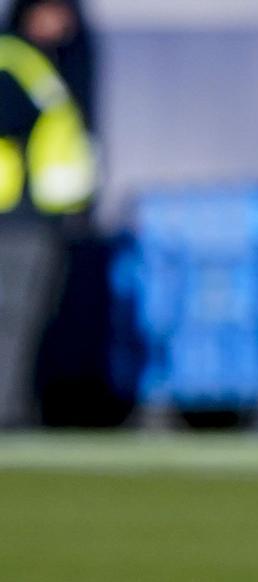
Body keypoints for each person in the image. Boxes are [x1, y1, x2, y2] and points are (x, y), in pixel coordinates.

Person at [0, 0, 94, 427]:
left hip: (39, 215)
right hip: (13, 212)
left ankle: (15, 405)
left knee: (27, 316)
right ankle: (8, 410)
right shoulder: (16, 61)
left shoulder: (48, 64)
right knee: (11, 316)